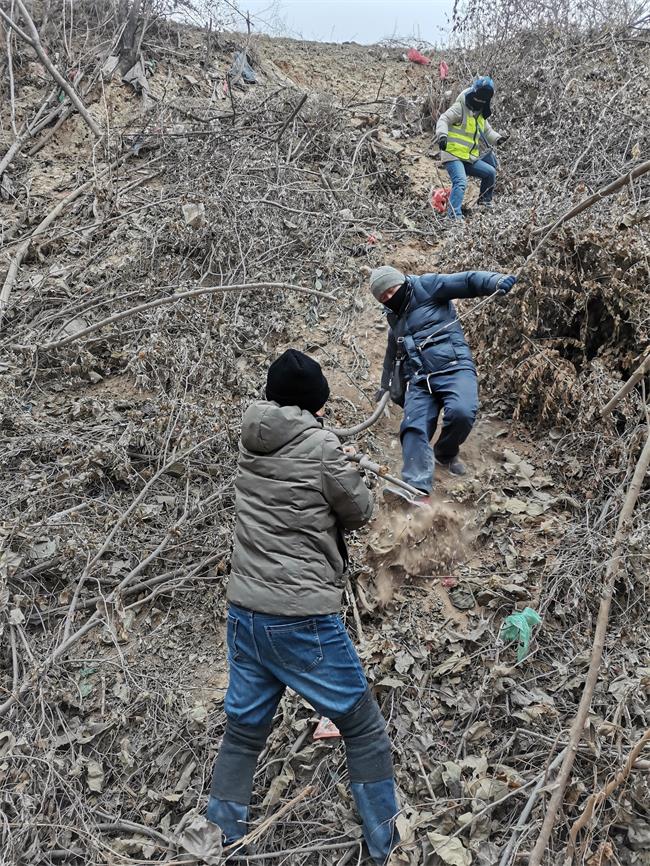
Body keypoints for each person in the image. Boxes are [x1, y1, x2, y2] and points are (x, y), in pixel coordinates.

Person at [206, 348, 400, 865]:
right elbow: (357, 511)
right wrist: (355, 469)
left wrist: (333, 451)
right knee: (362, 727)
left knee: (245, 731)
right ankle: (388, 845)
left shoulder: (252, 440)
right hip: (301, 618)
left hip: (245, 613)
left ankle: (222, 839)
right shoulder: (321, 447)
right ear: (317, 404)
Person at [370, 265, 516, 498]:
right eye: (383, 296)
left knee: (461, 412)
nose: (389, 297)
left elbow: (467, 280)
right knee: (412, 427)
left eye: (390, 290)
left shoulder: (427, 285)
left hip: (454, 367)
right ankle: (416, 488)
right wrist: (384, 385)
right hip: (419, 379)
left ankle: (446, 453)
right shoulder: (393, 319)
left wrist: (495, 281)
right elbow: (392, 355)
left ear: (401, 281)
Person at [435, 76, 508, 219]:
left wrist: (498, 139)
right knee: (461, 182)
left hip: (468, 157)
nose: (480, 101)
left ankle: (484, 204)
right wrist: (442, 136)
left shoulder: (480, 114)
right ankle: (454, 217)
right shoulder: (460, 107)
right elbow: (444, 119)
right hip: (453, 155)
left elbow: (487, 132)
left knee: (490, 173)